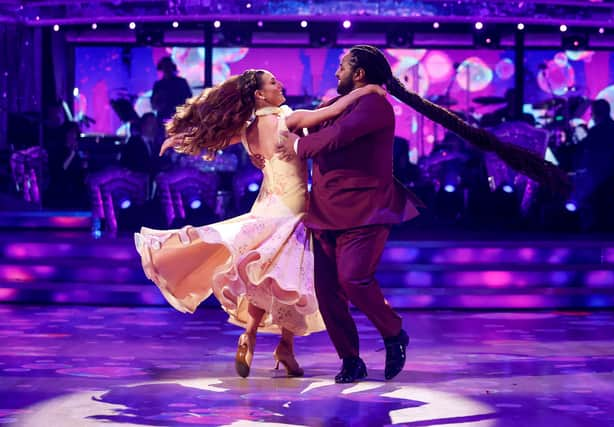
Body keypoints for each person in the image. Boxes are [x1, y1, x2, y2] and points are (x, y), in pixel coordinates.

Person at [274, 45, 569, 384]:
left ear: (359, 73)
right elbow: (310, 124)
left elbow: (335, 137)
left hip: (364, 209)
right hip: (325, 208)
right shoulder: (337, 103)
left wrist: (296, 146)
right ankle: (350, 359)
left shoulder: (374, 105)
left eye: (342, 66)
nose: (336, 72)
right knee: (327, 292)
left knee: (353, 279)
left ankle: (394, 332)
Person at [134, 69, 386, 378]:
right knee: (289, 279)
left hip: (267, 207)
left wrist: (179, 139)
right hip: (293, 209)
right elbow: (336, 110)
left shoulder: (247, 131)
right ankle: (283, 344)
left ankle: (258, 338)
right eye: (273, 83)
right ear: (260, 94)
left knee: (266, 276)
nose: (281, 85)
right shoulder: (287, 120)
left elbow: (211, 140)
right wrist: (367, 89)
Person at [578, 99, 614, 231]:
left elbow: (588, 152)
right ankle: (611, 227)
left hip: (599, 173)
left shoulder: (596, 131)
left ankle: (599, 226)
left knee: (599, 201)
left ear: (595, 113)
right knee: (611, 201)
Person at [151, 56, 193, 123]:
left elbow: (189, 99)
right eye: (165, 66)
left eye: (168, 66)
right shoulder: (158, 85)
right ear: (162, 68)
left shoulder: (181, 82)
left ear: (172, 67)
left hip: (179, 115)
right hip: (164, 116)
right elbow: (154, 103)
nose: (166, 69)